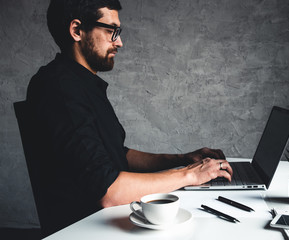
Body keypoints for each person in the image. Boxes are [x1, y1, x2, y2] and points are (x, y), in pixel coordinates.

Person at [26, 0, 233, 236]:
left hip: (111, 220)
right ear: (76, 30)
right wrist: (191, 174)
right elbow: (109, 191)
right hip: (88, 230)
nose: (120, 42)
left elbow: (116, 154)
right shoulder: (59, 88)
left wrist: (181, 159)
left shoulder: (81, 84)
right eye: (111, 31)